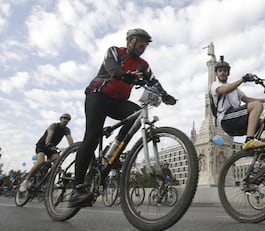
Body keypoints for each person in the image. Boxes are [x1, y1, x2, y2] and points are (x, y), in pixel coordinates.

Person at [68, 28, 176, 208]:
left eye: (145, 44)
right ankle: (76, 189)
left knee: (135, 115)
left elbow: (153, 81)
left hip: (117, 102)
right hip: (98, 94)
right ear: (130, 41)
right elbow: (112, 67)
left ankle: (114, 149)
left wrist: (165, 95)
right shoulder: (115, 52)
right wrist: (126, 76)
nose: (143, 47)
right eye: (140, 42)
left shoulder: (143, 64)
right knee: (92, 136)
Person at [211, 56, 265, 150]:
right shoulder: (215, 85)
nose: (222, 73)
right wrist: (243, 79)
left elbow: (248, 100)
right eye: (220, 71)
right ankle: (249, 140)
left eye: (225, 71)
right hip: (227, 119)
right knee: (257, 105)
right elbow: (226, 89)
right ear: (216, 74)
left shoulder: (236, 90)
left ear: (228, 73)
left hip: (238, 120)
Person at [19, 114, 73, 192]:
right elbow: (49, 136)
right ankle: (26, 181)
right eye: (64, 118)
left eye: (68, 119)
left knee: (57, 164)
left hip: (52, 147)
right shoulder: (54, 126)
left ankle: (50, 183)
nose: (66, 120)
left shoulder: (66, 130)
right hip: (42, 145)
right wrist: (48, 144)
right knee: (41, 162)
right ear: (60, 119)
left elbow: (70, 140)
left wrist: (72, 148)